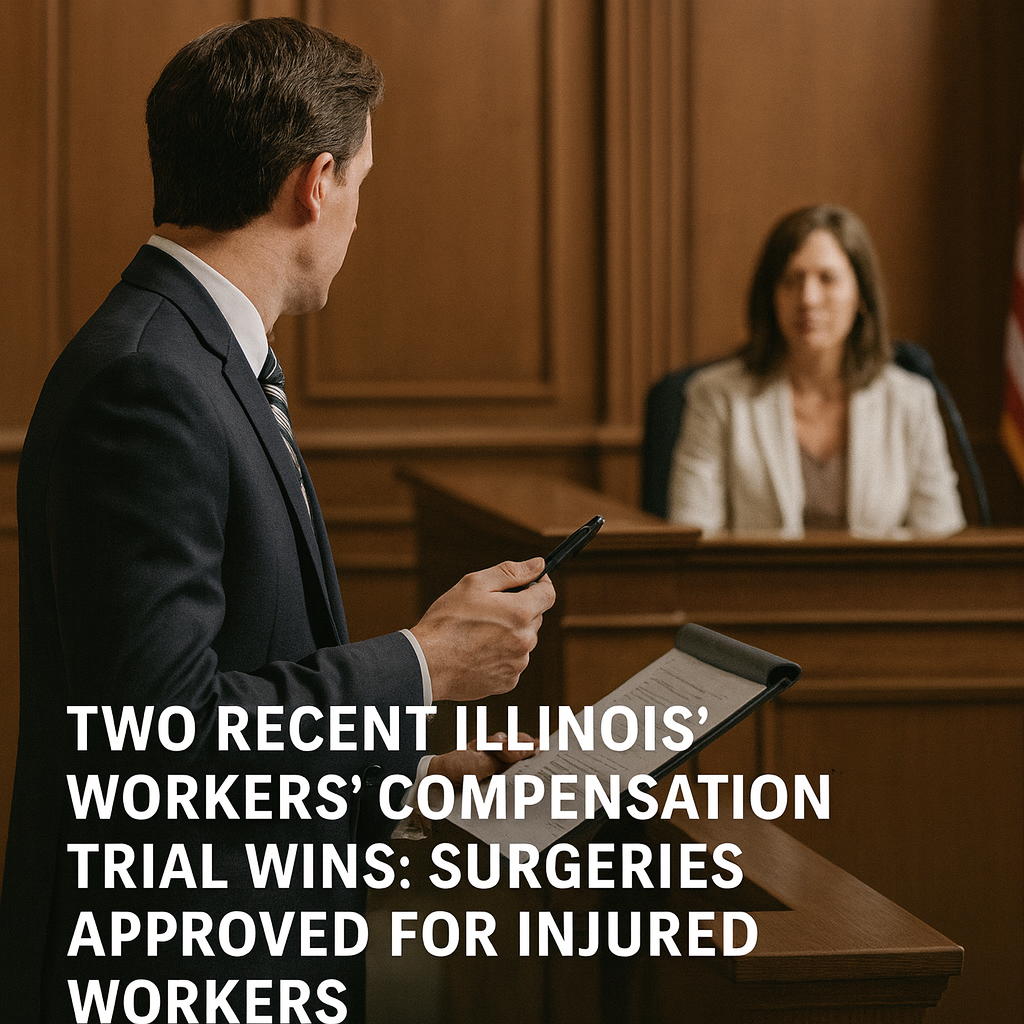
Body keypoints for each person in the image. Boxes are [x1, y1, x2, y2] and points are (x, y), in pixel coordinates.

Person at [0, 18, 554, 1023]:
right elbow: (159, 735)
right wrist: (424, 664)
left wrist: (414, 780)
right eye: (364, 183)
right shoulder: (149, 380)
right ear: (316, 183)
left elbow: (226, 699)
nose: (361, 215)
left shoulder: (194, 356)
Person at [667, 205, 967, 537]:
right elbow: (695, 538)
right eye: (791, 280)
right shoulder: (716, 396)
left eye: (827, 278)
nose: (808, 298)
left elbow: (940, 541)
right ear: (771, 295)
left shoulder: (911, 400)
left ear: (861, 294)